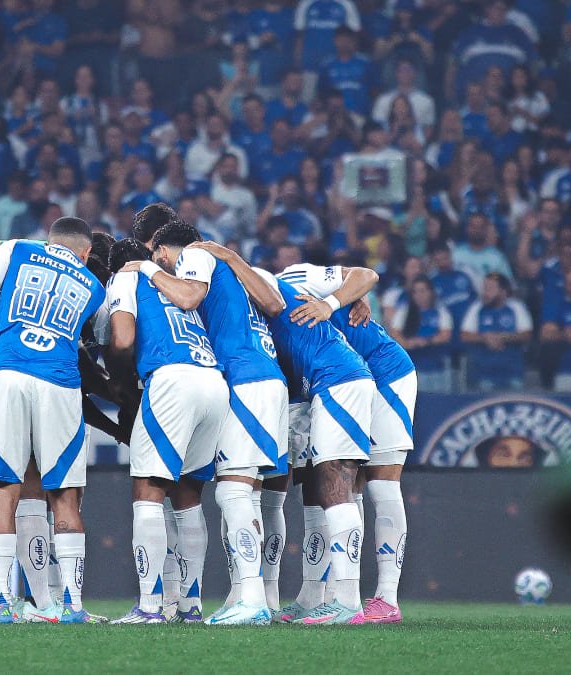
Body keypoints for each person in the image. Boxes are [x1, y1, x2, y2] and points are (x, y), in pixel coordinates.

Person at [189, 240, 378, 626]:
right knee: (315, 489)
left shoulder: (274, 281)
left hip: (338, 379)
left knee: (336, 488)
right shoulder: (242, 304)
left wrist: (333, 303)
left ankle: (348, 601)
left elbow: (365, 275)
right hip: (312, 391)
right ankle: (299, 597)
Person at [129, 219, 287, 625]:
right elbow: (275, 305)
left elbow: (187, 298)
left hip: (244, 377)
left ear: (163, 250)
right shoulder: (234, 268)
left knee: (232, 493)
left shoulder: (194, 257)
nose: (159, 265)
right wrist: (233, 255)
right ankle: (248, 595)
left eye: (156, 256)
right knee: (248, 492)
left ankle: (251, 599)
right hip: (269, 377)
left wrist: (145, 270)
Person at [0, 218, 105, 624]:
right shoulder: (94, 286)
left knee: (4, 493)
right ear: (84, 253)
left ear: (50, 240)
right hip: (60, 382)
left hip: (8, 373)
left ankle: (3, 604)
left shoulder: (18, 249)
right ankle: (73, 606)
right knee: (63, 495)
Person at [274, 261, 412, 625]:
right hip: (334, 382)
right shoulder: (259, 316)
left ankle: (386, 596)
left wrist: (331, 304)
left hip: (385, 373)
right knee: (338, 484)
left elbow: (366, 275)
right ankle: (322, 594)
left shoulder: (292, 278)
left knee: (381, 483)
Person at [102, 238, 226, 625]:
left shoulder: (125, 278)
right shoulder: (173, 281)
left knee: (147, 493)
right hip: (212, 381)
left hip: (171, 379)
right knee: (188, 497)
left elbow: (122, 339)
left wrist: (120, 384)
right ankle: (190, 605)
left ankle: (150, 606)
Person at [460, 272, 533, 390]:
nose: (485, 292)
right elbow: (465, 335)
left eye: (490, 288)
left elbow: (527, 334)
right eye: (484, 288)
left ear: (503, 291)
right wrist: (485, 338)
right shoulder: (476, 307)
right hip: (483, 372)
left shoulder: (516, 307)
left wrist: (503, 337)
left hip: (512, 371)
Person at [391, 277, 453, 391]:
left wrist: (426, 341)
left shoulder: (440, 311)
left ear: (431, 292)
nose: (419, 295)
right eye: (415, 292)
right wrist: (407, 343)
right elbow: (394, 332)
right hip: (411, 367)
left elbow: (446, 335)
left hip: (436, 366)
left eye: (422, 291)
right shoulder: (404, 311)